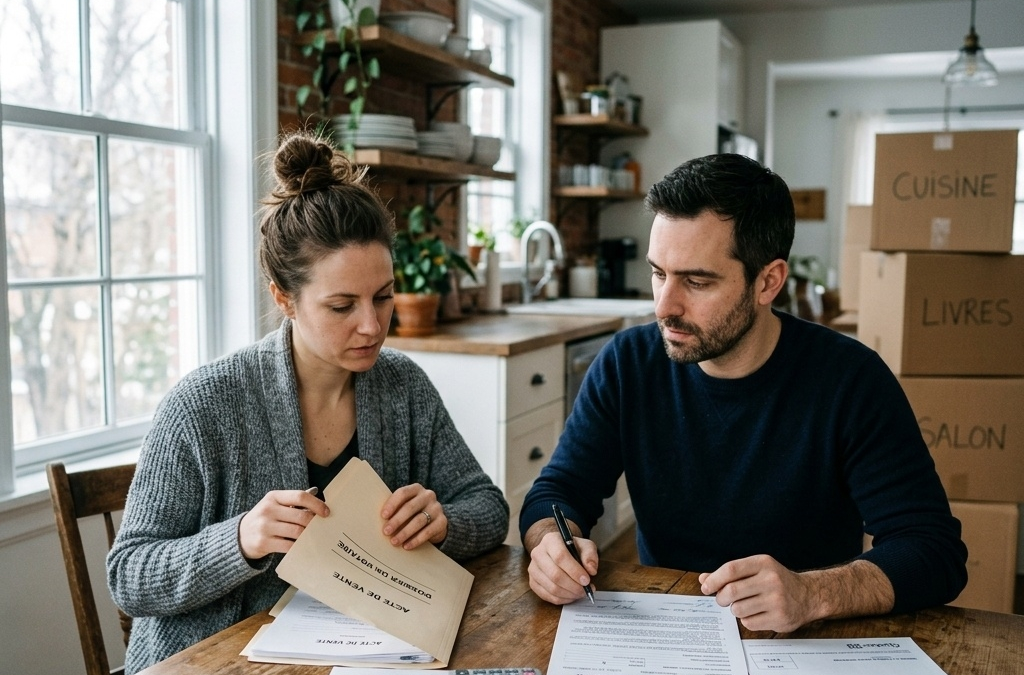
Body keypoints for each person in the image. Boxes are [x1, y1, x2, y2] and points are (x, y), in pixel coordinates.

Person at [107, 132, 509, 674]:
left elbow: (488, 507)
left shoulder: (403, 386)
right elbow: (129, 576)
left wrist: (443, 523)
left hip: (362, 653)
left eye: (383, 297)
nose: (372, 326)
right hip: (214, 663)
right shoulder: (204, 405)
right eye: (342, 306)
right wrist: (240, 540)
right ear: (283, 297)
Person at [520, 153, 967, 632]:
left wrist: (812, 593)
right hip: (666, 633)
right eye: (658, 273)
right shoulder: (627, 364)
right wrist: (550, 543)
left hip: (806, 639)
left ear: (768, 282)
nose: (665, 306)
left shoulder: (851, 380)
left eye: (696, 281)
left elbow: (932, 549)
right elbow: (557, 492)